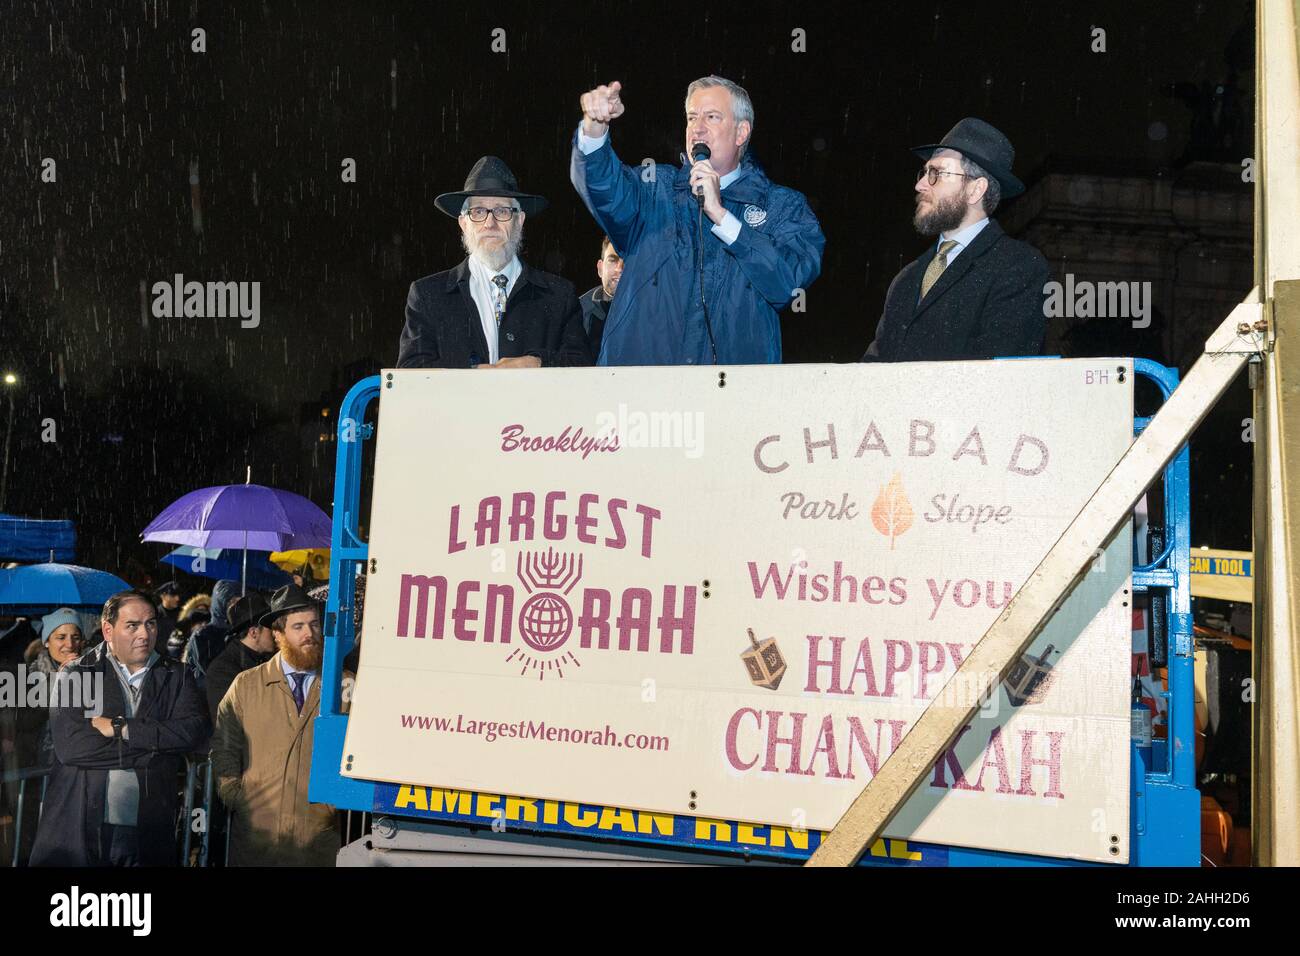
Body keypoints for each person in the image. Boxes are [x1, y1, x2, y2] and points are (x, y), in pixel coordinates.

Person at [571, 76, 824, 366]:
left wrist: (723, 217)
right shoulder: (654, 190)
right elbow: (601, 188)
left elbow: (787, 285)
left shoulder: (783, 206)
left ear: (741, 132)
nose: (697, 128)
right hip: (642, 393)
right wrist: (594, 129)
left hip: (731, 394)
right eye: (692, 117)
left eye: (712, 117)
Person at [29, 589, 209, 866]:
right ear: (108, 630)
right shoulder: (76, 673)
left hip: (148, 826)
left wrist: (125, 729)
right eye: (132, 625)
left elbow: (193, 732)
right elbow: (72, 748)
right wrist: (155, 749)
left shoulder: (177, 675)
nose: (144, 634)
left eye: (150, 623)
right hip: (83, 822)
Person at [861, 118, 1049, 362]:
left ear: (975, 189)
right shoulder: (906, 279)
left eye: (936, 173)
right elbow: (873, 371)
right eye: (924, 172)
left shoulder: (1019, 267)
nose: (919, 185)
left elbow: (997, 379)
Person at [396, 156, 592, 370]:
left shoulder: (559, 296)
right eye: (478, 211)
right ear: (463, 223)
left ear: (520, 220)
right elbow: (410, 373)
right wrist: (474, 375)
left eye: (501, 211)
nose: (490, 223)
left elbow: (582, 366)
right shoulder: (428, 295)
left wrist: (538, 364)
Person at [211, 583, 343, 866]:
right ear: (279, 633)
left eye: (314, 624)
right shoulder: (246, 686)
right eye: (298, 627)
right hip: (256, 840)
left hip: (317, 839)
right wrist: (238, 798)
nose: (309, 634)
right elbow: (224, 749)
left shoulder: (344, 685)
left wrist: (330, 807)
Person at [203, 591, 274, 723]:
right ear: (254, 632)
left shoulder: (270, 659)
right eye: (270, 628)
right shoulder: (222, 670)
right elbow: (230, 720)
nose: (275, 633)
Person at [184, 579, 240, 684]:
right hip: (205, 695)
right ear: (221, 603)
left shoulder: (240, 632)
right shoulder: (202, 636)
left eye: (239, 601)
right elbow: (211, 671)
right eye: (231, 602)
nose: (235, 607)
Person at [579, 236, 623, 358]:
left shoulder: (652, 310)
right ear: (600, 268)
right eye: (613, 260)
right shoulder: (578, 310)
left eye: (627, 260)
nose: (619, 268)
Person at [154, 581, 182, 649]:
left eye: (178, 595)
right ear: (163, 596)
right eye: (173, 595)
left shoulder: (181, 613)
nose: (177, 598)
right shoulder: (156, 615)